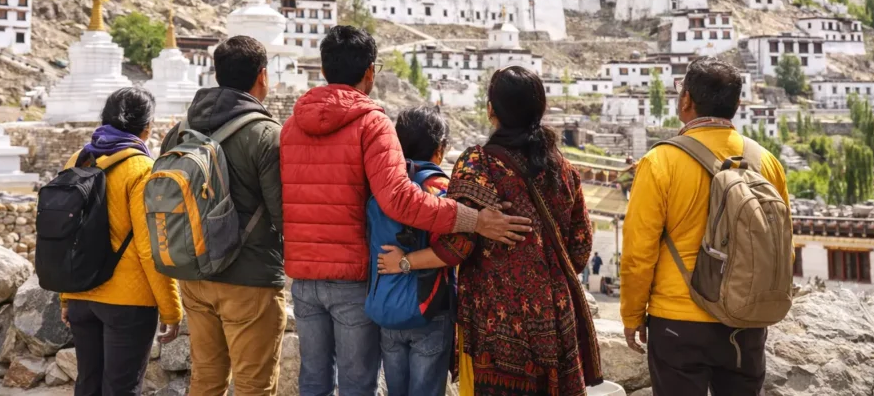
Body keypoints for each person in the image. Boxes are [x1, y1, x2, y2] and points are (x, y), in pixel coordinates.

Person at [280, 26, 533, 396]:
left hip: (303, 277)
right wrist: (474, 219)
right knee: (356, 383)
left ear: (323, 68)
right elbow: (398, 199)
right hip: (353, 277)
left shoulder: (291, 127)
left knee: (314, 380)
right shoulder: (371, 122)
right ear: (369, 72)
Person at [378, 66, 603, 395]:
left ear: (491, 110)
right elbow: (580, 248)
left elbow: (457, 248)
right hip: (554, 317)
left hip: (493, 320)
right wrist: (541, 275)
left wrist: (406, 261)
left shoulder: (478, 164)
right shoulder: (563, 169)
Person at [620, 57, 790, 396]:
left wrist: (632, 315)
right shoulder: (766, 162)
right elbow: (783, 245)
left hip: (679, 321)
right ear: (737, 104)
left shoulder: (660, 162)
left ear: (685, 101)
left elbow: (639, 252)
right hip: (746, 320)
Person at [159, 36, 286, 396]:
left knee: (206, 379)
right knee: (253, 386)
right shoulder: (266, 135)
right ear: (262, 76)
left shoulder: (180, 131)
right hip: (249, 281)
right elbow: (283, 215)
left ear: (216, 74)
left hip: (194, 275)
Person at [60, 88, 182, 396]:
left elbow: (66, 234)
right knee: (121, 388)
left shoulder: (78, 160)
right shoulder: (142, 170)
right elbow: (150, 246)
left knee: (87, 384)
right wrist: (171, 309)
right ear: (147, 128)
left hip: (81, 294)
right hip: (128, 304)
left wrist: (66, 295)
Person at [376, 106, 455, 396]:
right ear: (439, 149)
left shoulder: (382, 183)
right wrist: (406, 262)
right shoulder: (440, 188)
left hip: (387, 305)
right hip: (429, 310)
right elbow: (450, 249)